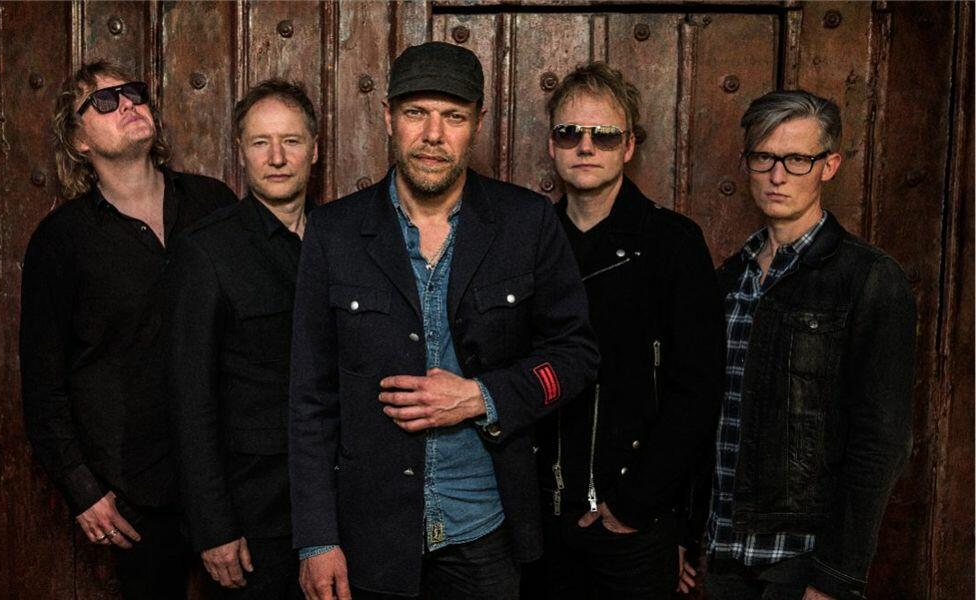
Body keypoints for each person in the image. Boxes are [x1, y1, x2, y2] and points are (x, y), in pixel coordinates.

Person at [288, 41, 599, 600]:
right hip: (369, 535)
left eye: (453, 117)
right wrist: (316, 539)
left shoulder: (525, 223)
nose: (433, 135)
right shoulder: (334, 233)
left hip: (485, 529)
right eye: (416, 113)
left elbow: (575, 354)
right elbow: (310, 399)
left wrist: (483, 396)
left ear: (477, 124)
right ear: (388, 117)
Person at [20, 59, 236, 598]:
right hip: (132, 491)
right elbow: (43, 384)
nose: (128, 105)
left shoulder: (213, 204)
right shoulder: (61, 240)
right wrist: (82, 489)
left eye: (134, 93)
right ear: (78, 140)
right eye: (104, 101)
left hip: (229, 475)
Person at [702, 89, 916, 600]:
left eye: (797, 159)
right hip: (723, 552)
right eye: (764, 157)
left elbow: (881, 441)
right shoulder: (728, 278)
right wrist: (690, 534)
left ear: (829, 165)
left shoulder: (868, 278)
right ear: (747, 163)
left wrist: (836, 575)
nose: (777, 176)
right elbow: (707, 413)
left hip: (802, 561)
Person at [536, 62, 724, 599]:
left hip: (632, 523)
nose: (585, 146)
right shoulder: (531, 240)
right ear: (552, 145)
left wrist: (635, 506)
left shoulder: (673, 243)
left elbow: (698, 391)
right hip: (537, 524)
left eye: (604, 134)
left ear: (629, 146)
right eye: (569, 132)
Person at [164, 79, 318, 599]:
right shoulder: (206, 251)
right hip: (253, 516)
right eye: (260, 142)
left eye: (291, 141)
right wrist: (214, 528)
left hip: (333, 505)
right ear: (241, 152)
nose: (277, 157)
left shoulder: (339, 238)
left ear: (314, 149)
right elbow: (189, 401)